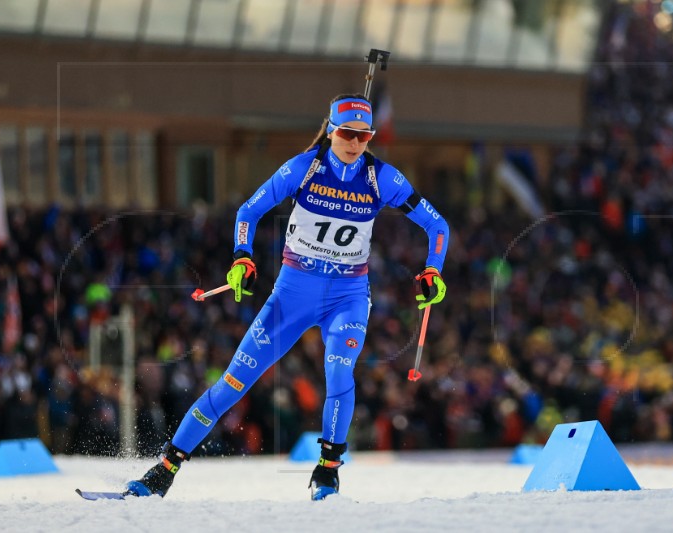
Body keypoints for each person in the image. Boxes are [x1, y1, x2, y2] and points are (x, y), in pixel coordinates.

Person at [128, 93, 449, 500]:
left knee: (338, 372)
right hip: (294, 293)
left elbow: (437, 225)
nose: (355, 143)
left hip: (347, 296)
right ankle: (165, 468)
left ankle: (328, 472)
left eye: (364, 136)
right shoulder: (304, 168)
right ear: (332, 131)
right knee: (233, 382)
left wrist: (433, 268)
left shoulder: (381, 178)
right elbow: (248, 211)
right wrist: (241, 258)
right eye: (347, 133)